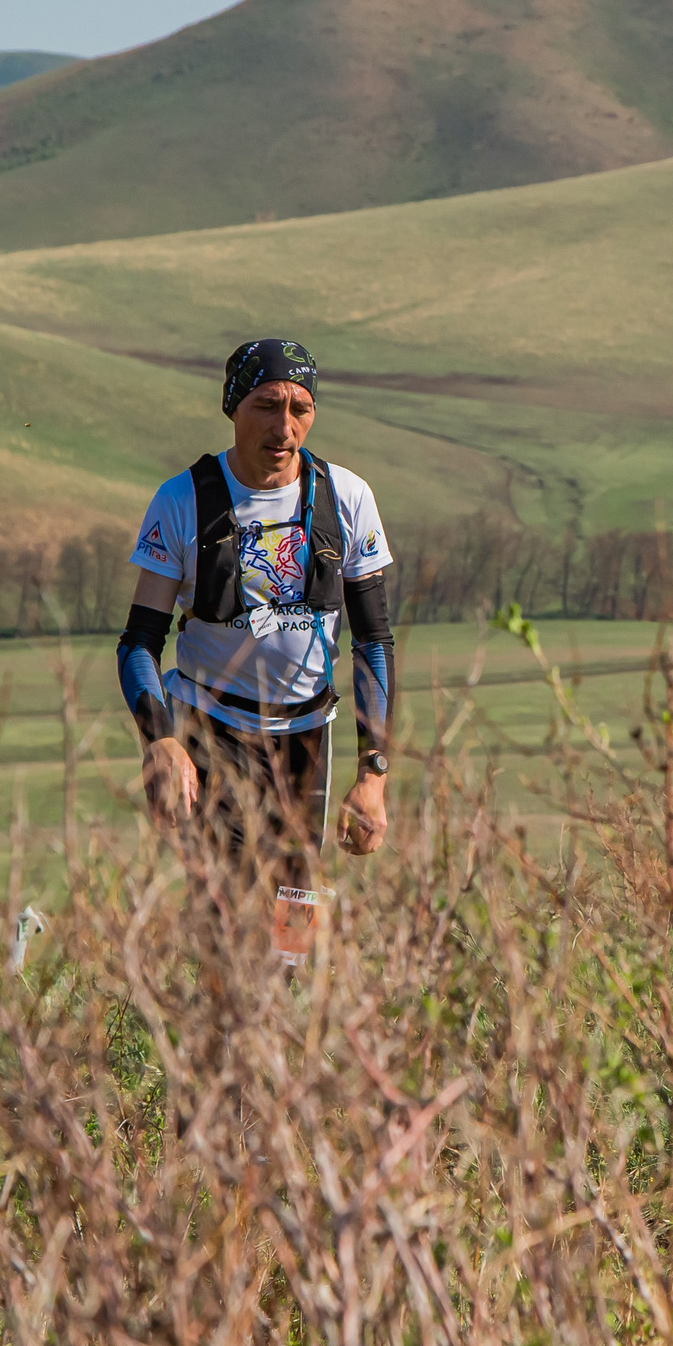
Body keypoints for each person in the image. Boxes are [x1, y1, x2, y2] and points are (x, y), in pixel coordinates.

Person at [113, 339, 396, 942]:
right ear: (233, 406)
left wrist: (373, 773)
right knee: (226, 920)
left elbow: (374, 641)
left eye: (300, 408)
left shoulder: (347, 496)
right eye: (268, 405)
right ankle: (212, 1031)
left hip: (304, 740)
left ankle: (278, 1032)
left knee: (293, 928)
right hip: (210, 731)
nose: (284, 427)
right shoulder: (182, 500)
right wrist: (159, 739)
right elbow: (138, 643)